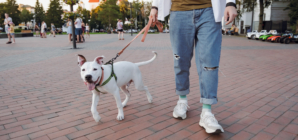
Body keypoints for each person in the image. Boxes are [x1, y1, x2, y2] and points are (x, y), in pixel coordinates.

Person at [150, 0, 237, 134]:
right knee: (180, 60)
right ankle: (182, 100)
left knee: (210, 62)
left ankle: (207, 112)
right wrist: (155, 6)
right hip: (179, 11)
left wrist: (230, 3)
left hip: (209, 11)